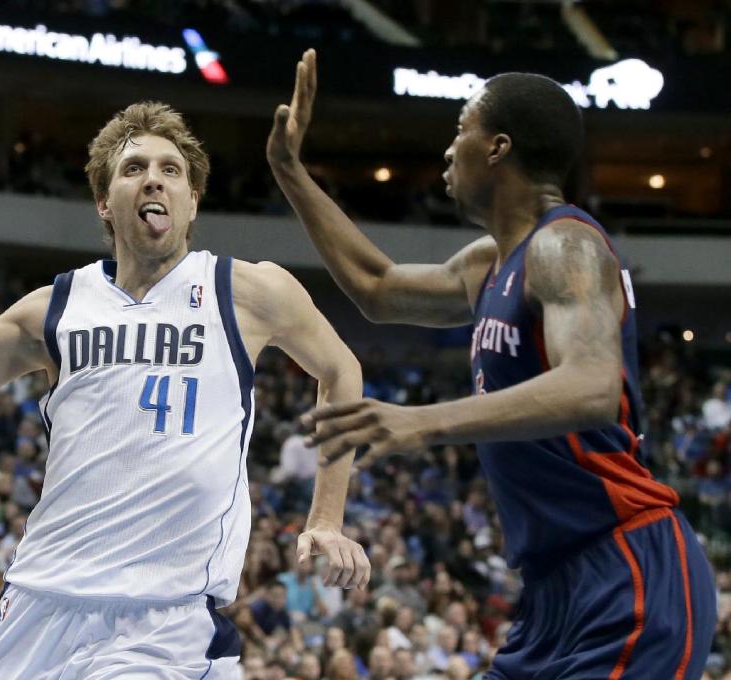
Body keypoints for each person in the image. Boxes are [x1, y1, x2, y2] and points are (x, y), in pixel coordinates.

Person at [0, 99, 370, 679]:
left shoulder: (248, 291)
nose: (155, 179)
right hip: (38, 602)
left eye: (172, 171)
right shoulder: (56, 308)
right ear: (104, 202)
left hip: (166, 619)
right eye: (134, 168)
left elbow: (340, 370)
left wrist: (325, 517)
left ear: (192, 202)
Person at [268, 49, 717, 678]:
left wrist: (420, 423)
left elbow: (591, 384)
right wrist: (289, 171)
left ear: (499, 147)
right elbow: (377, 286)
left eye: (461, 130)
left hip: (627, 573)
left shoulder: (567, 245)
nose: (450, 150)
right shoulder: (488, 264)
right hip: (550, 594)